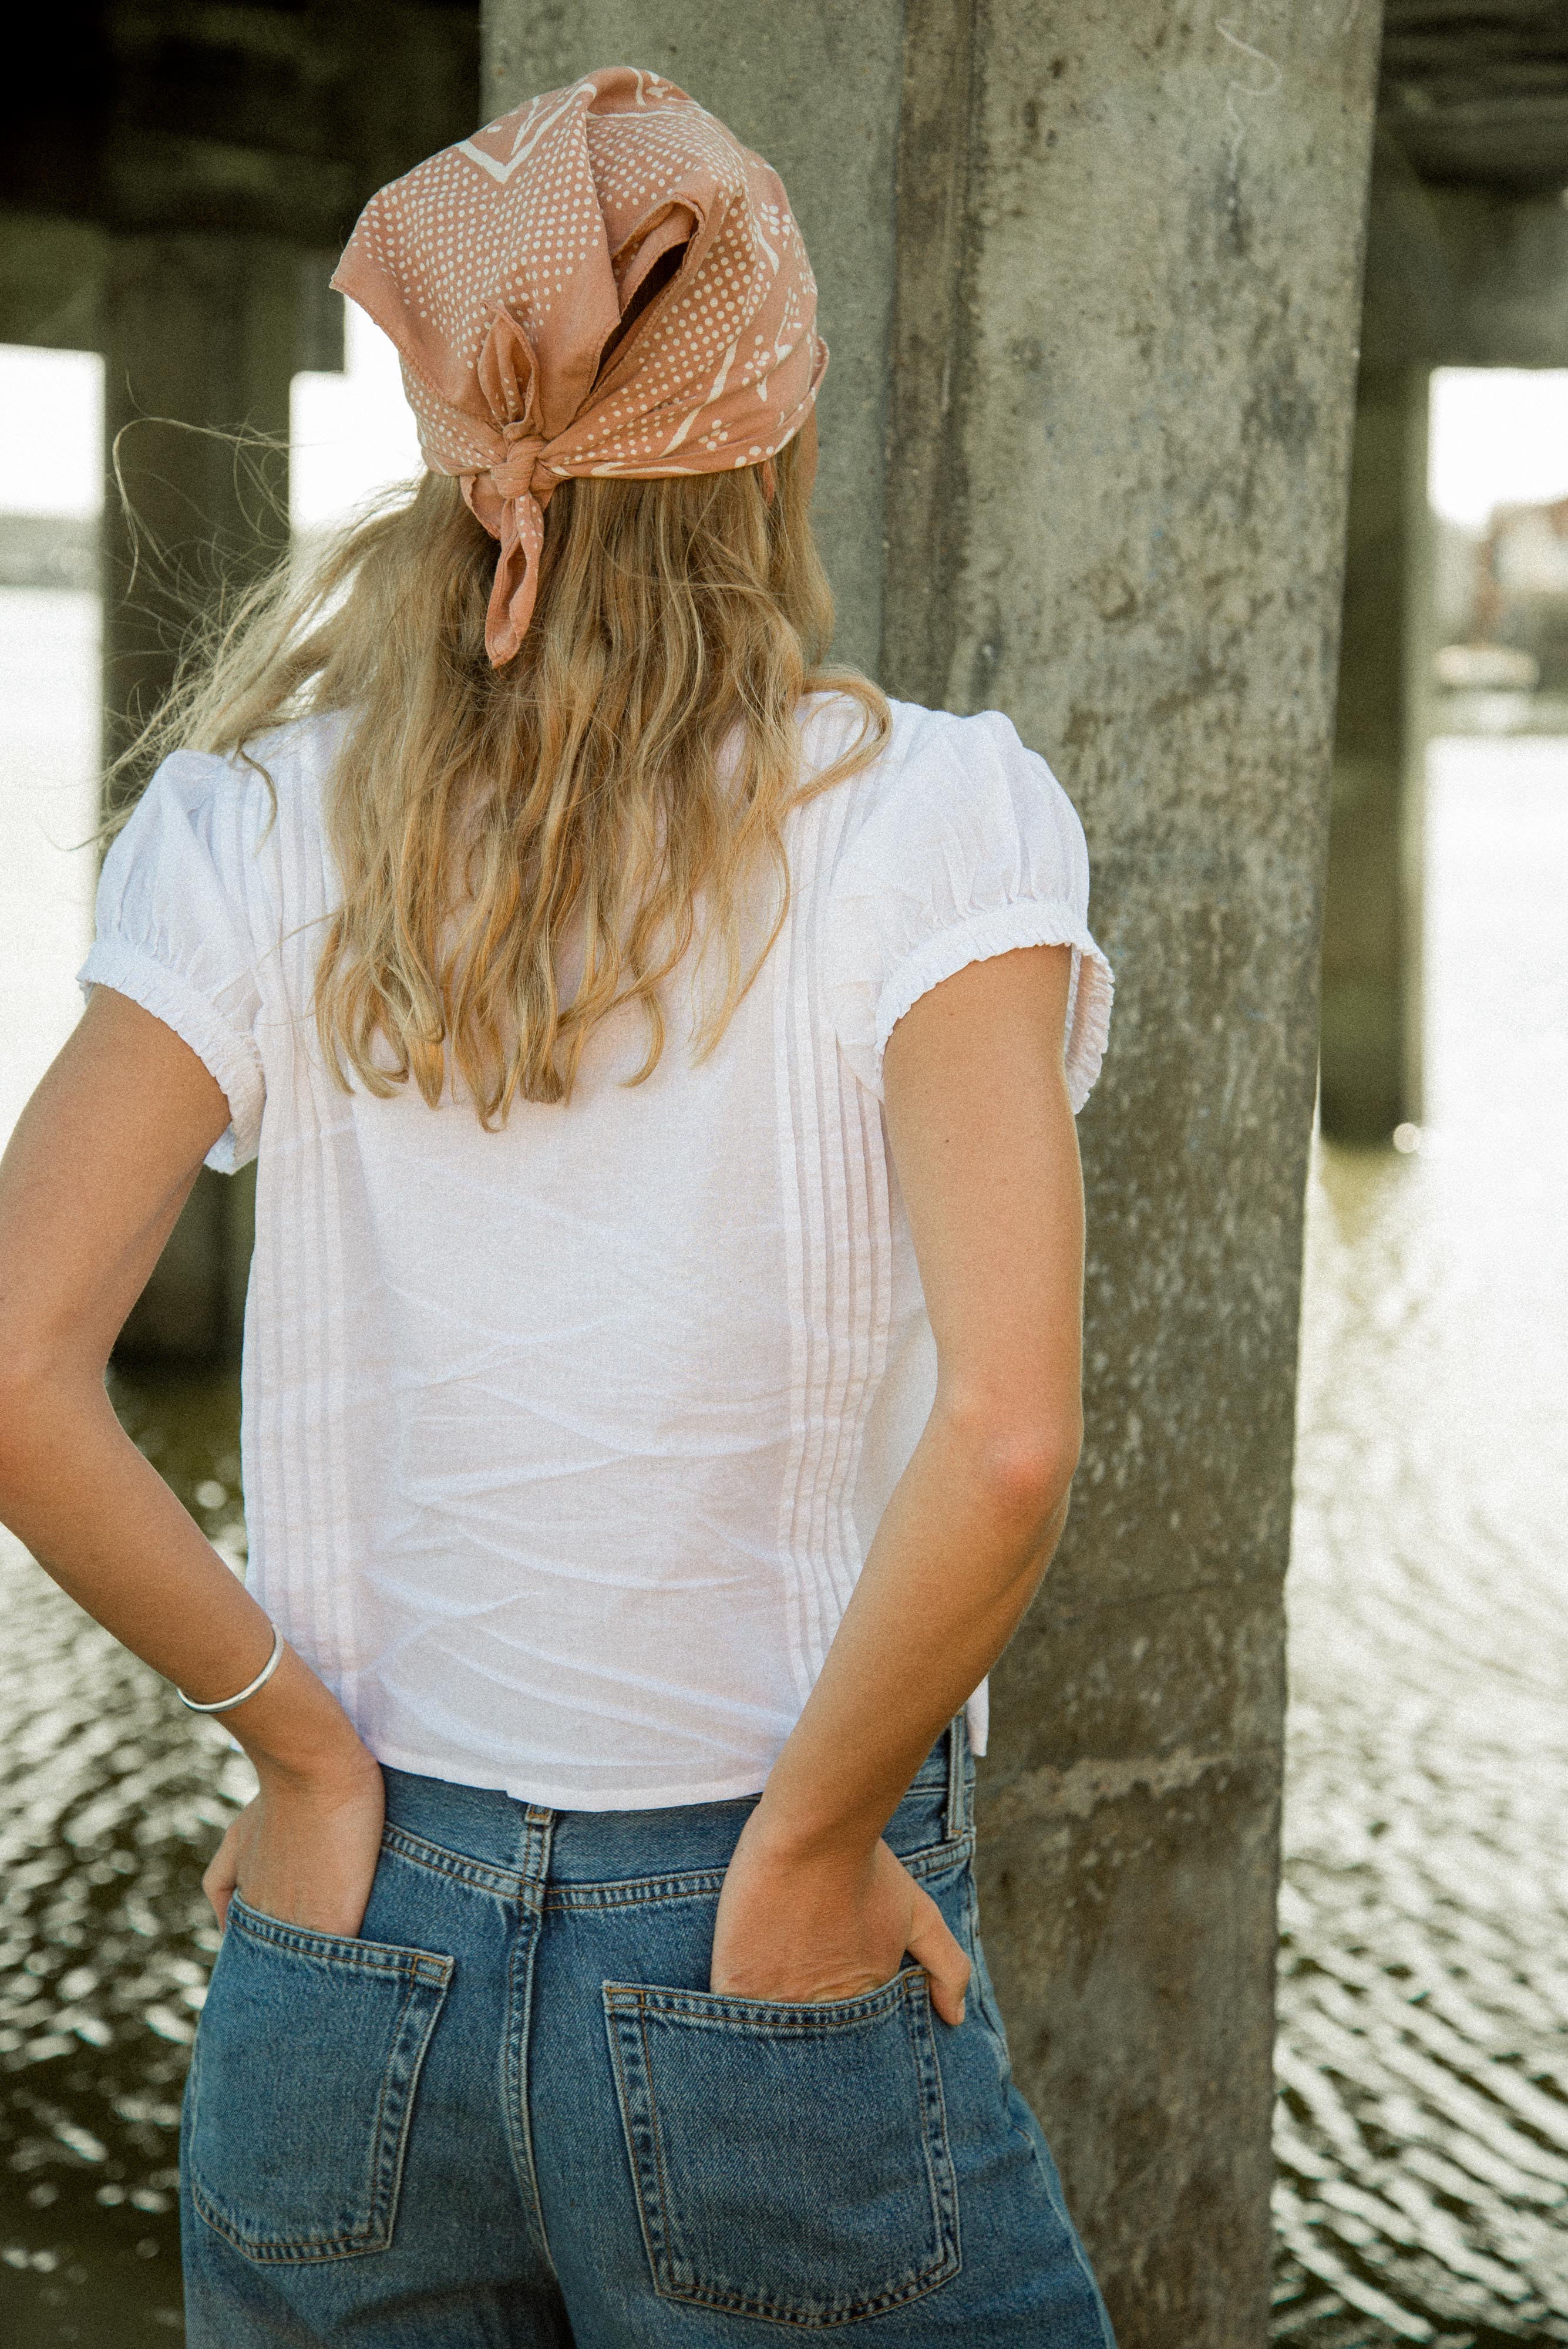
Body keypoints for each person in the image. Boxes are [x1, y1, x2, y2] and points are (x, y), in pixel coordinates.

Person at [0, 66, 1116, 2349]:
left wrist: (292, 1742)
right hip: (750, 1922)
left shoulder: (245, 828)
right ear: (775, 431)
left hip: (346, 1918)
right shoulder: (933, 822)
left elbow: (15, 1367)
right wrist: (810, 1844)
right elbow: (1006, 1435)